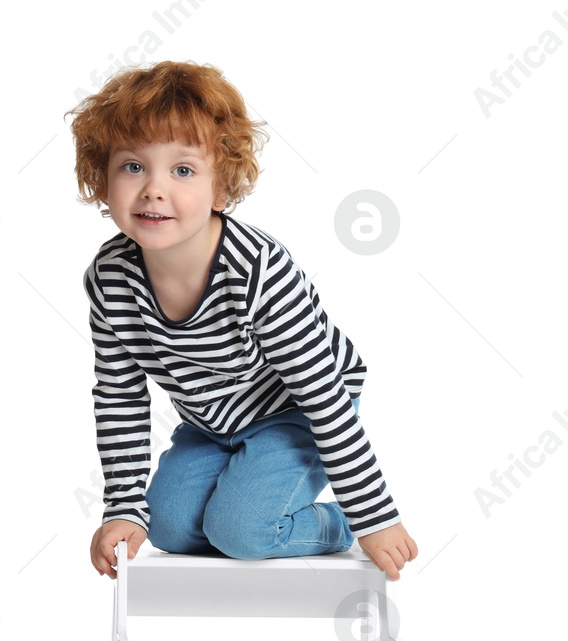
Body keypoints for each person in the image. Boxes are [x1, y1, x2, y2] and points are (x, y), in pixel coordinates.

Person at [70, 61, 416, 580]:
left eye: (183, 170)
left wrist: (375, 517)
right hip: (212, 422)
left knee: (241, 532)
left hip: (297, 407)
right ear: (103, 178)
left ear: (223, 188)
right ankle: (241, 500)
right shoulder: (110, 277)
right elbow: (119, 394)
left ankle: (335, 524)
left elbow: (321, 394)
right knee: (163, 525)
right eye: (133, 166)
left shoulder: (256, 269)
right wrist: (122, 507)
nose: (154, 189)